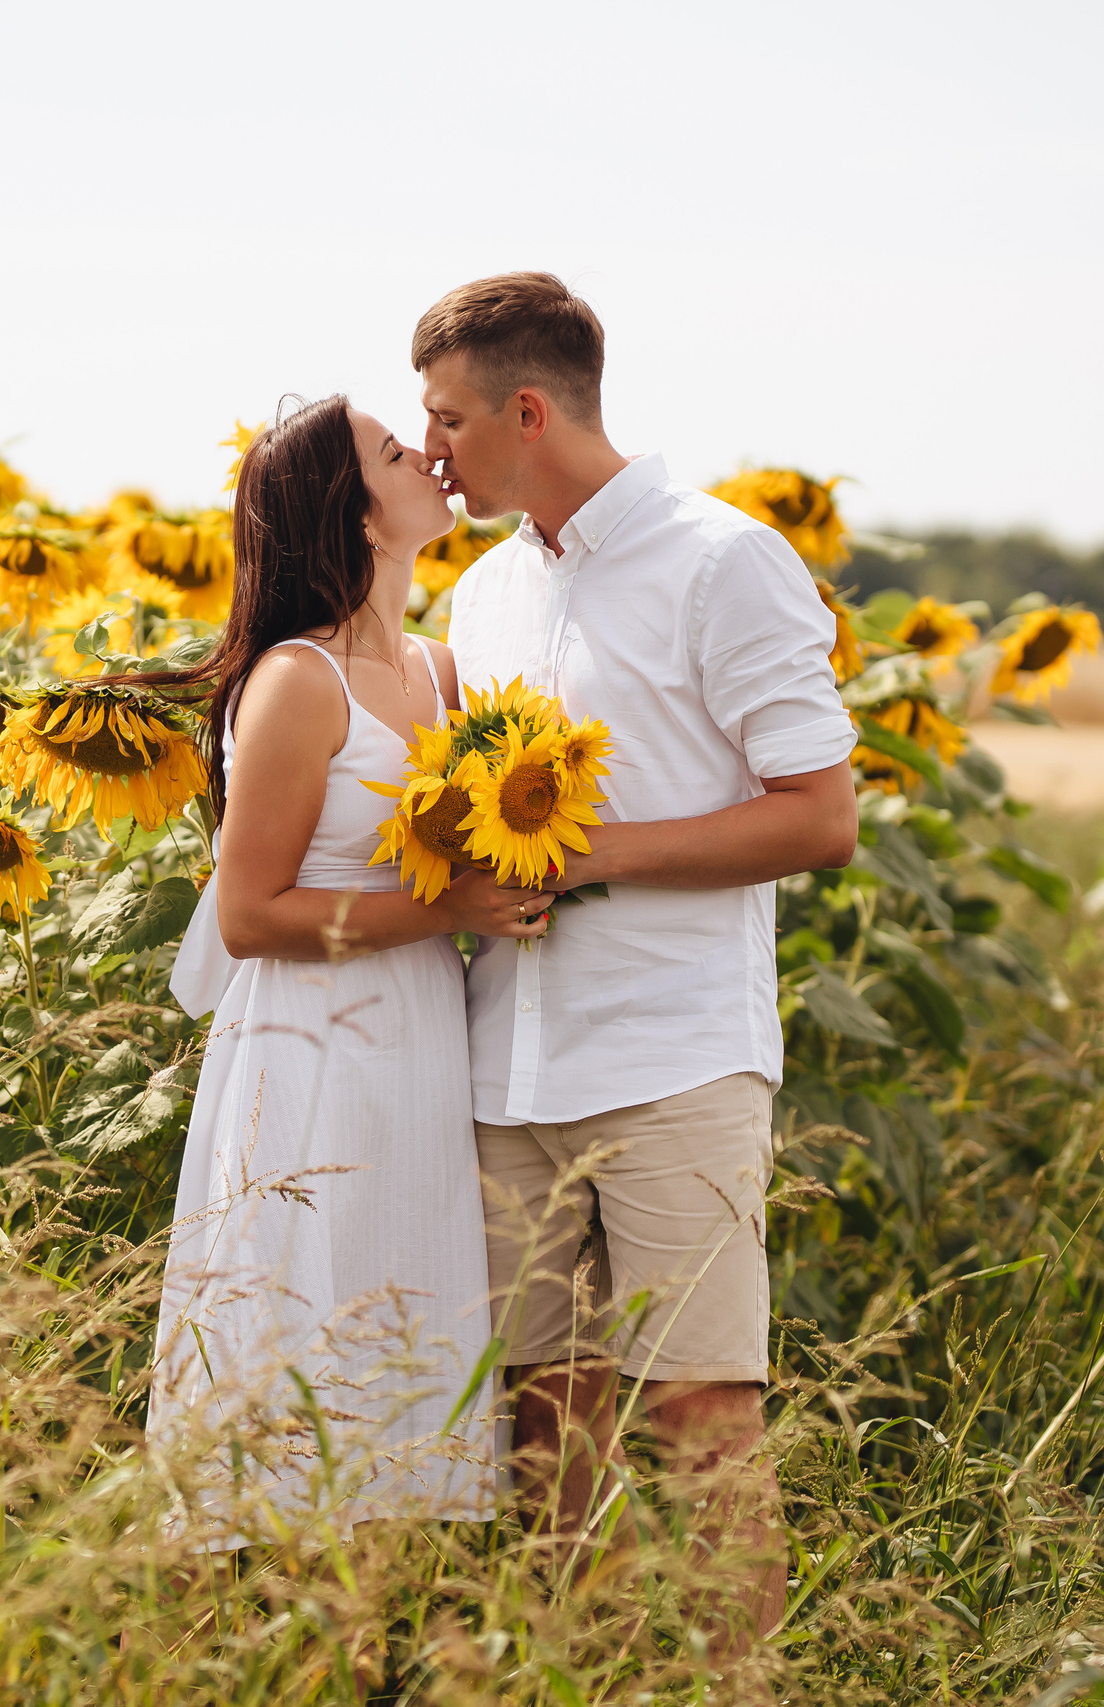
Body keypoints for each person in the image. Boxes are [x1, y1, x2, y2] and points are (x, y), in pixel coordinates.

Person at [414, 273, 861, 1639]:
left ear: (527, 412)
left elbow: (820, 816)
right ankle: (573, 1666)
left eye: (448, 419)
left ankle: (742, 1684)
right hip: (505, 1065)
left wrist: (588, 853)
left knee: (700, 1413)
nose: (431, 450)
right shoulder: (482, 595)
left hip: (673, 1055)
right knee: (540, 1418)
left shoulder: (724, 562)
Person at [149, 394, 554, 1545]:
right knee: (307, 1316)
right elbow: (249, 916)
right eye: (393, 450)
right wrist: (446, 909)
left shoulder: (445, 672)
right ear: (360, 515)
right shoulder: (297, 681)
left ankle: (392, 1594)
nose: (427, 454)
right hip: (312, 1043)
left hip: (423, 1037)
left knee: (409, 1303)